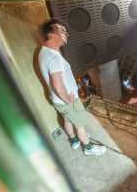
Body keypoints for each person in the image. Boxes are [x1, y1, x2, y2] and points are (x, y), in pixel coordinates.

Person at [38, 19, 106, 156]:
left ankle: (74, 141)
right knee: (80, 123)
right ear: (51, 34)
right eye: (62, 30)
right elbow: (57, 83)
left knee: (68, 119)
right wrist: (67, 98)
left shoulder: (43, 52)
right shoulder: (53, 57)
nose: (66, 34)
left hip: (58, 100)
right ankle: (88, 148)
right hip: (66, 100)